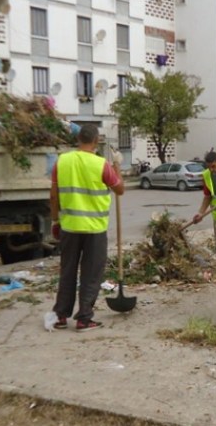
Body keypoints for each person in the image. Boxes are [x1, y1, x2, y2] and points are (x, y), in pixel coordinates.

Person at [50, 124, 124, 332]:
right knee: (91, 274)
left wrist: (55, 221)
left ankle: (61, 316)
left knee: (67, 271)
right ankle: (84, 318)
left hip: (69, 228)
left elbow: (54, 195)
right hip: (94, 230)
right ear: (96, 140)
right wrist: (117, 165)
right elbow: (120, 189)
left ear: (78, 139)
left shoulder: (61, 161)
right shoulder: (101, 165)